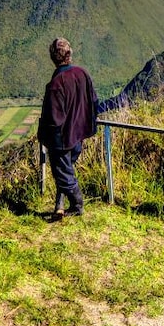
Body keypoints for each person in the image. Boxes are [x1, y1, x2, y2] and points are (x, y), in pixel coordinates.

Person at [37, 38, 98, 218]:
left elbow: (53, 119)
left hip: (63, 139)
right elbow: (94, 101)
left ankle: (77, 206)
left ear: (52, 58)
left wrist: (45, 137)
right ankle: (60, 205)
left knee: (63, 174)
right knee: (67, 169)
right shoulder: (82, 74)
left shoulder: (55, 84)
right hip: (79, 133)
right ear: (70, 54)